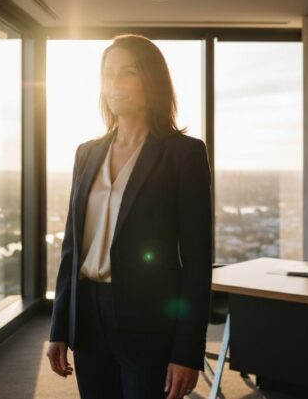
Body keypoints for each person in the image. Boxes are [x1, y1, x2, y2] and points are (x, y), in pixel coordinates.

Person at [46, 34, 213, 399]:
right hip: (88, 317)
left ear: (151, 79)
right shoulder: (86, 153)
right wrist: (59, 327)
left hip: (150, 321)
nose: (115, 84)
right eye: (108, 74)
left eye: (128, 73)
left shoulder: (183, 154)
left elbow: (198, 261)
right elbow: (71, 249)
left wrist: (187, 351)